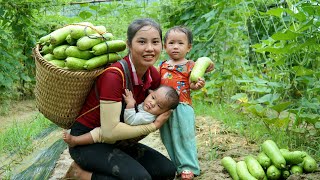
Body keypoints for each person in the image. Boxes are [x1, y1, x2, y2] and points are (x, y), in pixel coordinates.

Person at [64, 18, 177, 180]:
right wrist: (153, 126)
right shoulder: (114, 76)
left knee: (166, 172)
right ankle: (80, 173)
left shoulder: (154, 76)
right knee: (140, 179)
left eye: (155, 42)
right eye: (142, 42)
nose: (150, 48)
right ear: (129, 45)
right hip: (87, 142)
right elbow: (109, 133)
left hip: (119, 141)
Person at [159, 26, 214, 180]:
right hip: (164, 109)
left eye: (180, 43)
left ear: (189, 47)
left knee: (184, 136)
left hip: (182, 106)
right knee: (168, 137)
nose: (175, 46)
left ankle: (189, 166)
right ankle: (179, 166)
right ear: (165, 46)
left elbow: (194, 83)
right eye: (171, 43)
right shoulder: (162, 65)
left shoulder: (191, 65)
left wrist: (196, 86)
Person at [63, 85, 179, 147]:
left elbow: (130, 120)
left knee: (100, 133)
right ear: (151, 93)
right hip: (119, 127)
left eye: (158, 105)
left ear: (163, 112)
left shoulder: (148, 117)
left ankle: (75, 141)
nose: (152, 103)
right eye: (153, 98)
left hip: (120, 134)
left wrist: (130, 103)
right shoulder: (148, 105)